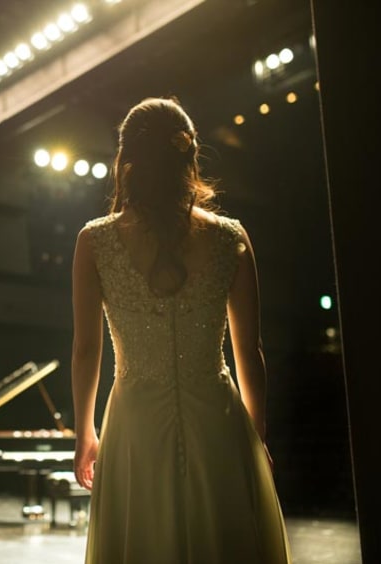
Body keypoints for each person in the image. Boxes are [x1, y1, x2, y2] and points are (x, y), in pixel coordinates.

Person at [71, 96, 292, 563]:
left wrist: (84, 432)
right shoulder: (231, 238)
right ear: (189, 155)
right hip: (218, 422)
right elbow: (249, 351)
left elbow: (86, 350)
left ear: (125, 160)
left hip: (134, 426)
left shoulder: (94, 242)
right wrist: (256, 436)